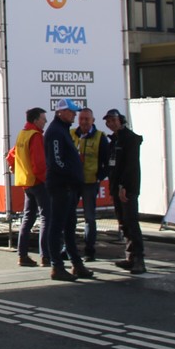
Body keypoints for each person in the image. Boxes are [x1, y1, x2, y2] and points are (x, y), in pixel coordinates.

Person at [43, 100, 93, 282]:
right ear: (61, 112)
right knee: (57, 226)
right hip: (61, 185)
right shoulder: (56, 132)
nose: (74, 115)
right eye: (71, 112)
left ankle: (76, 263)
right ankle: (56, 266)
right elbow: (56, 161)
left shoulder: (62, 130)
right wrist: (71, 173)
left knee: (70, 226)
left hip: (68, 185)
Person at [103, 108, 146, 274]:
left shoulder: (130, 139)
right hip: (116, 188)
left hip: (128, 188)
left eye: (114, 120)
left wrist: (124, 186)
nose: (111, 123)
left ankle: (139, 259)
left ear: (121, 120)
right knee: (123, 223)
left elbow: (131, 166)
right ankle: (130, 256)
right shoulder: (114, 140)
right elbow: (112, 166)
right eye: (108, 121)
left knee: (131, 222)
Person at [7, 107, 49, 267]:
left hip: (26, 182)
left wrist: (14, 167)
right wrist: (46, 180)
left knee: (28, 218)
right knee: (46, 217)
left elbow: (11, 155)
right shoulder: (36, 136)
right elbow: (39, 163)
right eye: (43, 118)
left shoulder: (22, 134)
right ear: (36, 120)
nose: (45, 121)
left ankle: (22, 255)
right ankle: (46, 256)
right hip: (37, 182)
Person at [71, 107, 107, 261]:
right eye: (81, 119)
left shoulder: (100, 137)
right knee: (69, 215)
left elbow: (106, 160)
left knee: (89, 217)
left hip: (90, 182)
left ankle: (89, 251)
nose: (84, 122)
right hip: (73, 182)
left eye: (87, 119)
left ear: (93, 120)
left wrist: (99, 177)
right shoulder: (72, 133)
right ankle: (69, 248)